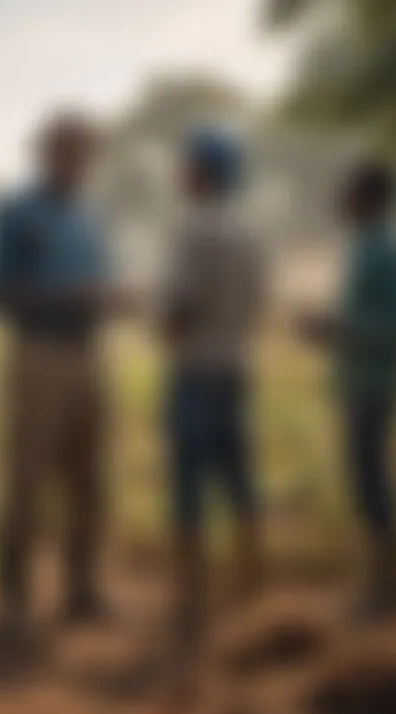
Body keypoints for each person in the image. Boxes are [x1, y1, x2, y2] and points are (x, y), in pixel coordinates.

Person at [0, 110, 122, 641]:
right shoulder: (15, 213)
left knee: (91, 479)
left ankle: (83, 589)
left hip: (89, 351)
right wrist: (65, 296)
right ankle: (13, 602)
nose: (77, 161)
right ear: (43, 152)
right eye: (66, 150)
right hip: (37, 351)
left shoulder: (92, 217)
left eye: (85, 152)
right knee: (27, 479)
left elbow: (100, 280)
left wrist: (109, 297)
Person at [159, 126, 266, 675]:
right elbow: (257, 303)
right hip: (236, 366)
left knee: (188, 481)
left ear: (202, 172)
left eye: (187, 164)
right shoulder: (249, 233)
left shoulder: (192, 228)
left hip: (196, 368)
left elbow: (183, 304)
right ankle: (251, 584)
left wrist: (164, 328)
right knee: (239, 475)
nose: (180, 172)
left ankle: (192, 599)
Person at [296, 161, 396, 619]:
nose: (340, 200)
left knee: (373, 482)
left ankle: (384, 592)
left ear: (370, 197)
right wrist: (332, 331)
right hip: (361, 381)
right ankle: (376, 586)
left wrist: (336, 328)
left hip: (376, 382)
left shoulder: (389, 252)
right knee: (366, 480)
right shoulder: (367, 248)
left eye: (347, 191)